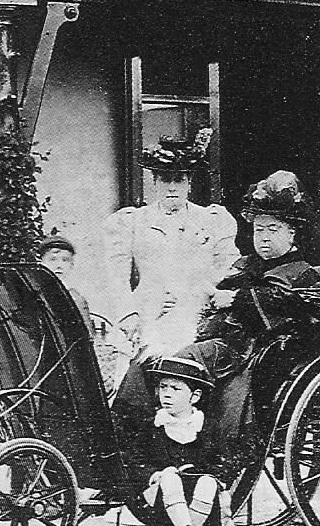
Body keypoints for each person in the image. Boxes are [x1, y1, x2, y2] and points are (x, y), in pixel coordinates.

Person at [113, 170, 320, 452]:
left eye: (273, 230)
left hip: (253, 350)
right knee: (148, 357)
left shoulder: (300, 271)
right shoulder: (247, 265)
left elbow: (285, 303)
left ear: (292, 233)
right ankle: (130, 442)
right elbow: (216, 289)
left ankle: (177, 446)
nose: (263, 237)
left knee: (179, 362)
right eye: (258, 230)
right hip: (221, 341)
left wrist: (236, 299)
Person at [102, 128, 238, 359]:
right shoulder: (132, 221)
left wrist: (197, 296)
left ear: (189, 183)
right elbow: (117, 275)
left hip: (197, 316)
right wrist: (128, 313)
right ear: (155, 183)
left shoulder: (212, 220)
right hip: (147, 317)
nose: (172, 187)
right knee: (141, 371)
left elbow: (228, 268)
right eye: (165, 180)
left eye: (179, 180)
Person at [135, 353, 238, 526]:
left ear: (195, 396)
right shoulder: (154, 426)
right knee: (169, 478)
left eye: (175, 389)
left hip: (201, 499)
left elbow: (224, 462)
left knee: (207, 482)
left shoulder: (206, 427)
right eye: (163, 387)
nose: (166, 394)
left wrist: (210, 474)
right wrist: (154, 474)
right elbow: (137, 460)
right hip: (166, 500)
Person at [38, 234, 91, 327]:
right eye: (53, 259)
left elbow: (86, 331)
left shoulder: (75, 299)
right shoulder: (33, 294)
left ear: (71, 265)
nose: (59, 266)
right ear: (42, 263)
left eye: (65, 260)